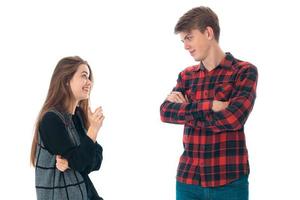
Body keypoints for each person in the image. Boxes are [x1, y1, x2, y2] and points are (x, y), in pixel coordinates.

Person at [160, 6, 258, 200]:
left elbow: (233, 120)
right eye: (183, 41)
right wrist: (210, 106)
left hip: (229, 180)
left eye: (189, 37)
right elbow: (165, 112)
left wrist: (188, 111)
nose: (185, 46)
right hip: (188, 179)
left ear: (208, 32)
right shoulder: (187, 76)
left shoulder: (244, 71)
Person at [30, 56, 105, 200]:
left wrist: (71, 162)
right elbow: (81, 160)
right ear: (66, 80)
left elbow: (94, 162)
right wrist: (93, 130)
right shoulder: (51, 120)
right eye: (84, 76)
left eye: (89, 77)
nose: (89, 82)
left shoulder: (76, 117)